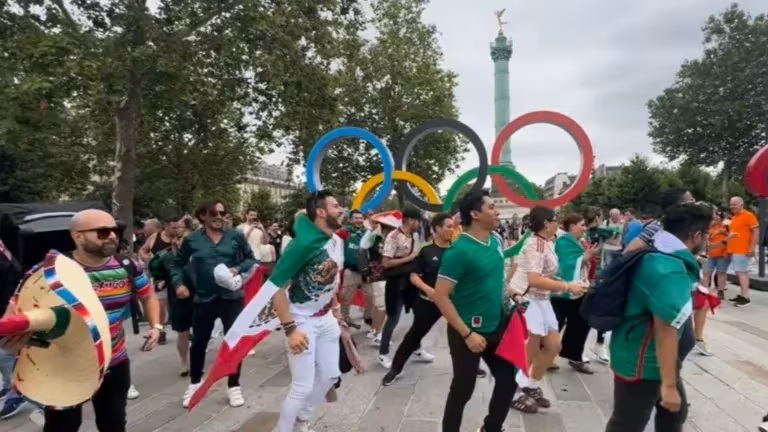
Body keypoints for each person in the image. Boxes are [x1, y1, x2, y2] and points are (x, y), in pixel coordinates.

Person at [2, 209, 162, 432]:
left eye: (114, 230)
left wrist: (156, 326)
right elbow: (14, 315)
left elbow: (148, 296)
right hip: (63, 366)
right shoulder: (48, 273)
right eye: (103, 232)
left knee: (114, 424)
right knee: (62, 427)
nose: (113, 236)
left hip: (113, 362)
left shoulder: (127, 266)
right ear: (77, 236)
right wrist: (15, 343)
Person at [605, 203, 710, 432]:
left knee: (674, 414)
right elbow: (665, 331)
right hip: (645, 362)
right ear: (696, 236)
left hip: (651, 357)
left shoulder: (660, 251)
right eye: (706, 236)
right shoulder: (668, 270)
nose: (706, 242)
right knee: (628, 423)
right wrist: (669, 386)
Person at [433, 189, 522, 432]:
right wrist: (467, 334)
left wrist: (512, 293)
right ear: (475, 214)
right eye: (491, 207)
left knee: (508, 381)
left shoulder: (496, 240)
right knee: (463, 389)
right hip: (467, 332)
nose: (497, 211)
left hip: (497, 325)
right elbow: (440, 295)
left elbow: (497, 277)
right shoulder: (458, 252)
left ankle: (491, 427)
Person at [381, 213, 486, 386]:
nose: (452, 229)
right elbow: (414, 276)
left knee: (463, 333)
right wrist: (430, 290)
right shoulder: (427, 250)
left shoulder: (457, 249)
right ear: (436, 228)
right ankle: (396, 368)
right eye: (448, 226)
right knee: (414, 335)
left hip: (453, 303)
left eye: (453, 226)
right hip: (428, 302)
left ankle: (471, 368)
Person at [173, 200, 258, 409]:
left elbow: (250, 259)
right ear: (202, 216)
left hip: (231, 298)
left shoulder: (235, 236)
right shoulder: (192, 240)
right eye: (214, 213)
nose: (219, 216)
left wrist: (237, 269)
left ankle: (234, 384)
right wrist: (178, 284)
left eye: (223, 212)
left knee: (233, 342)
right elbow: (177, 264)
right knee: (200, 342)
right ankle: (194, 383)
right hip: (204, 298)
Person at [271, 191, 344, 432]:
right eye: (336, 206)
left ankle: (302, 419)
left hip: (326, 318)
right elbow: (276, 289)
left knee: (331, 376)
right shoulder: (301, 245)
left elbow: (332, 276)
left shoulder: (336, 240)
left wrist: (335, 307)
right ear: (321, 212)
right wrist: (291, 330)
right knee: (302, 386)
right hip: (301, 320)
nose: (341, 209)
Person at [509, 207, 587, 414]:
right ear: (546, 223)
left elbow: (542, 275)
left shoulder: (548, 243)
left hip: (541, 298)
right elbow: (534, 279)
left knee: (553, 346)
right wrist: (567, 287)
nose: (558, 224)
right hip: (528, 299)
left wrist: (556, 281)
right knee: (531, 348)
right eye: (555, 220)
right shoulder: (536, 245)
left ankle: (531, 385)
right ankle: (515, 391)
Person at [378, 207, 433, 369]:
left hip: (411, 282)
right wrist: (410, 258)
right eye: (418, 221)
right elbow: (386, 263)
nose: (419, 224)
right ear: (410, 220)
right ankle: (383, 352)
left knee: (419, 315)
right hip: (396, 283)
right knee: (393, 318)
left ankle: (416, 346)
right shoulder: (393, 236)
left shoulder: (414, 235)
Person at [551, 213, 597, 375]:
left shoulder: (579, 242)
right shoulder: (563, 242)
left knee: (581, 322)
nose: (584, 228)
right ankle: (546, 355)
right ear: (572, 226)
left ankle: (574, 356)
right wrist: (584, 258)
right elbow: (565, 264)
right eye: (582, 225)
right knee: (555, 323)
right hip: (561, 290)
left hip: (578, 289)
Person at [149, 227, 194, 376]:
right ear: (175, 240)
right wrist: (160, 282)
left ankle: (196, 359)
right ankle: (183, 362)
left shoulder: (198, 255)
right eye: (181, 238)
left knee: (200, 330)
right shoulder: (167, 257)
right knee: (182, 331)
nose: (185, 242)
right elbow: (161, 274)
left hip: (199, 296)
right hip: (178, 297)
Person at [339, 210, 375, 327]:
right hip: (351, 270)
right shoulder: (345, 232)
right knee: (346, 297)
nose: (358, 220)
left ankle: (367, 316)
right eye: (356, 218)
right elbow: (333, 231)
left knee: (370, 296)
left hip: (366, 271)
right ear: (350, 220)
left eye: (360, 218)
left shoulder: (368, 233)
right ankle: (345, 318)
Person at [726, 196, 758, 307]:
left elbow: (756, 231)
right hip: (735, 250)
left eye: (734, 204)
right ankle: (742, 294)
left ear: (741, 204)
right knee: (739, 272)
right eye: (731, 204)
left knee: (742, 272)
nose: (732, 206)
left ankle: (745, 297)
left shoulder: (749, 216)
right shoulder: (734, 218)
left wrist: (752, 247)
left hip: (743, 250)